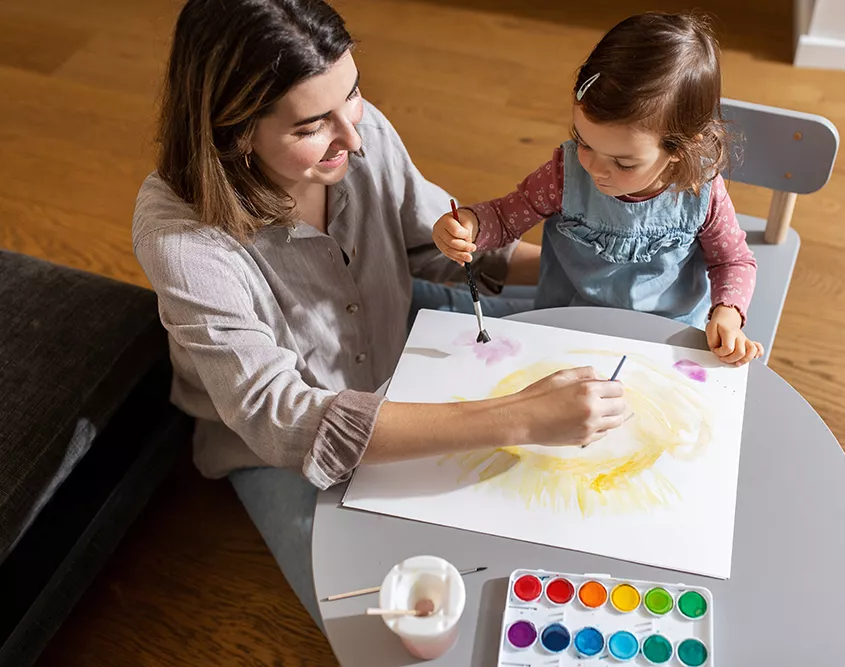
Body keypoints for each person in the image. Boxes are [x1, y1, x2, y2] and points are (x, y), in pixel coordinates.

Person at [133, 0, 627, 628]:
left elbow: (431, 244)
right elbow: (280, 417)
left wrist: (589, 264)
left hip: (399, 338)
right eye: (312, 124)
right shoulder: (182, 238)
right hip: (280, 444)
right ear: (233, 129)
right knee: (388, 618)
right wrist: (519, 418)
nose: (356, 136)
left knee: (579, 307)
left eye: (355, 94)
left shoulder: (353, 139)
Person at [433, 12, 764, 367]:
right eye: (584, 142)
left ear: (678, 150)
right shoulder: (565, 174)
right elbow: (504, 216)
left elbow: (733, 259)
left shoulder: (701, 193)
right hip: (568, 326)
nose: (593, 167)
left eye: (623, 163)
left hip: (667, 337)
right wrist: (468, 225)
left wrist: (727, 314)